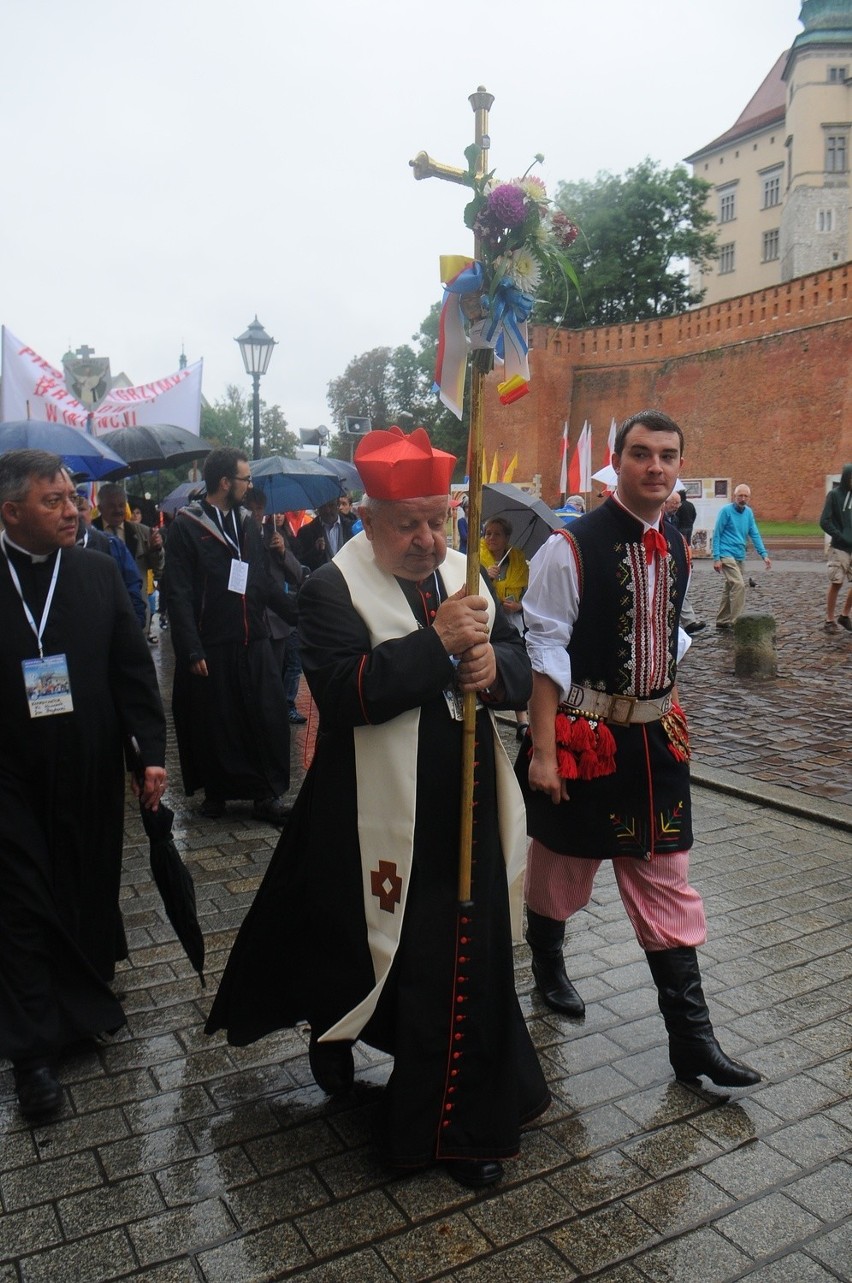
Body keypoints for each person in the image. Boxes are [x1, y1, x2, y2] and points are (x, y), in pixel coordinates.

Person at [206, 426, 550, 1189]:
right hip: (375, 810)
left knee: (469, 955)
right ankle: (407, 1099)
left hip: (469, 798)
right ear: (369, 517)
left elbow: (522, 666)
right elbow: (344, 693)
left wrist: (497, 669)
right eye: (410, 524)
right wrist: (436, 644)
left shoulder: (468, 571)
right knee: (399, 955)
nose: (430, 540)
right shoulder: (332, 585)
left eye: (440, 519)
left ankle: (458, 1123)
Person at [517, 410, 760, 1090]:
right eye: (641, 453)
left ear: (680, 465)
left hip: (656, 743)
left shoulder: (676, 544)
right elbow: (544, 655)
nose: (656, 466)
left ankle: (693, 1042)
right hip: (584, 740)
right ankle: (547, 964)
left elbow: (663, 636)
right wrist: (541, 750)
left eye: (669, 455)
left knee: (668, 877)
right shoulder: (571, 547)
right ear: (617, 463)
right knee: (561, 871)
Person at [0, 450, 166, 1118]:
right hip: (8, 770)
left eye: (72, 496)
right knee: (20, 900)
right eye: (53, 500)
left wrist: (148, 753)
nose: (72, 509)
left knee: (83, 884)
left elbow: (132, 669)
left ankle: (79, 1004)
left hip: (90, 763)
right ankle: (32, 1053)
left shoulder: (97, 572)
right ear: (11, 512)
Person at [166, 448, 297, 825]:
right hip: (214, 642)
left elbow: (259, 580)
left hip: (252, 638)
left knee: (266, 717)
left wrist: (296, 611)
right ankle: (217, 793)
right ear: (226, 483)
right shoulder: (187, 527)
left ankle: (266, 795)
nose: (249, 486)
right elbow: (178, 593)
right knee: (217, 722)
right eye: (245, 479)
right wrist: (191, 648)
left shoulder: (248, 525)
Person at [93, 483, 165, 644]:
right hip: (101, 611)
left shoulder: (142, 532)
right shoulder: (90, 532)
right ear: (100, 507)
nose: (118, 510)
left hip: (135, 609)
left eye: (121, 505)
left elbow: (158, 568)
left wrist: (156, 549)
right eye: (112, 505)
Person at [480, 516, 530, 739]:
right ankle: (487, 716)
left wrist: (519, 606)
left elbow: (532, 593)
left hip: (513, 621)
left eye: (496, 534)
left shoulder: (518, 559)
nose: (490, 538)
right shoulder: (476, 560)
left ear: (507, 537)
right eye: (488, 533)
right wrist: (485, 578)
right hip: (488, 619)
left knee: (516, 664)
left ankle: (522, 721)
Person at [75, 488, 147, 629]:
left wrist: (135, 625)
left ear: (90, 510)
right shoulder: (55, 548)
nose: (76, 514)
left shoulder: (113, 543)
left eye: (81, 509)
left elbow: (133, 584)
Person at [711, 484, 771, 629]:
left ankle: (722, 619)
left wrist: (764, 554)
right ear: (734, 496)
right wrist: (717, 558)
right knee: (739, 585)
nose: (742, 499)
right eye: (740, 496)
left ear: (749, 498)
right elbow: (717, 533)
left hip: (739, 554)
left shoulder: (748, 513)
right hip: (726, 553)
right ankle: (737, 621)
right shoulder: (726, 511)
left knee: (729, 586)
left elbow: (754, 533)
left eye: (745, 496)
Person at [664, 491, 705, 635]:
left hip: (674, 557)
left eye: (678, 503)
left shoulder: (675, 519)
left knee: (679, 587)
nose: (676, 506)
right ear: (665, 503)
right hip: (663, 558)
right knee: (674, 589)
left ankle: (688, 622)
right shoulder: (659, 518)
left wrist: (686, 558)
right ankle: (686, 622)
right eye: (673, 503)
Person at [818, 464, 852, 635]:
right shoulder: (834, 495)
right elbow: (824, 521)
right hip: (840, 547)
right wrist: (839, 536)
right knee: (837, 583)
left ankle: (845, 615)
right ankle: (829, 619)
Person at [295, 497, 354, 572]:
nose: (327, 510)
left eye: (331, 505)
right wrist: (315, 551)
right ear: (317, 507)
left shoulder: (352, 527)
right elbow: (301, 564)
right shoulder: (305, 533)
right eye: (323, 506)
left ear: (338, 505)